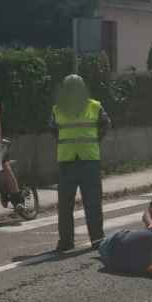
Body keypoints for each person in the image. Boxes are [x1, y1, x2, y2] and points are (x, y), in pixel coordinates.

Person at [50, 74, 111, 251]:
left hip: (83, 161)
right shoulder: (58, 109)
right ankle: (72, 241)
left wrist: (91, 142)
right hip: (74, 161)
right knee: (69, 205)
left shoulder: (95, 106)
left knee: (87, 203)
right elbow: (54, 130)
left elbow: (105, 125)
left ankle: (91, 239)